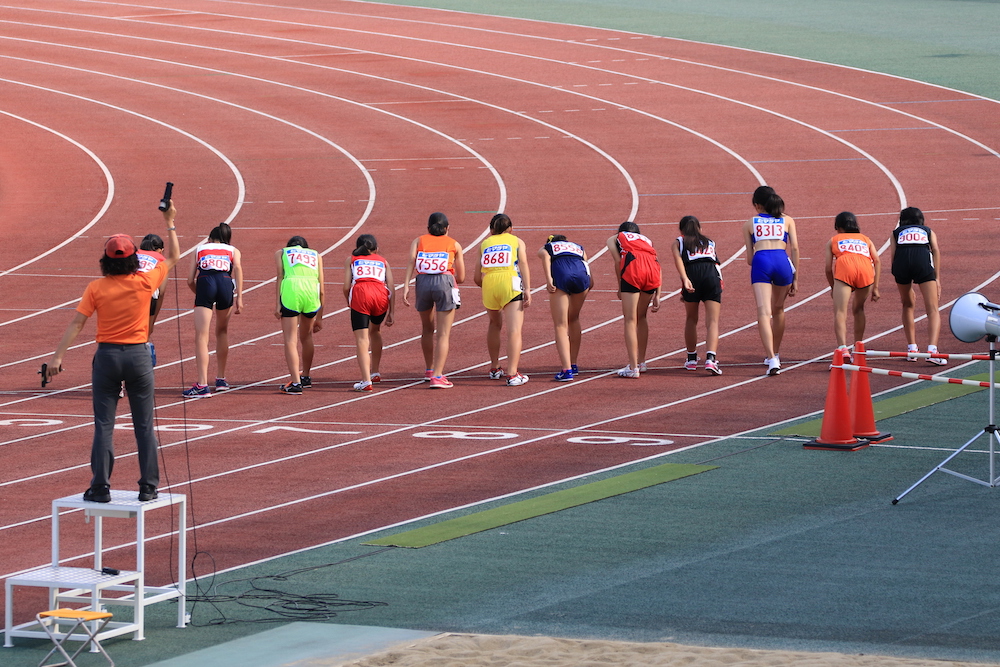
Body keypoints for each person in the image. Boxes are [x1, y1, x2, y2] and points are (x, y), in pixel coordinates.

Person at [46, 203, 181, 503]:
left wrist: (58, 357)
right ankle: (148, 486)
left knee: (104, 424)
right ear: (135, 258)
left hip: (106, 358)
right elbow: (173, 256)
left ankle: (100, 486)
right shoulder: (146, 281)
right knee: (144, 425)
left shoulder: (96, 287)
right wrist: (169, 222)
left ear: (105, 262)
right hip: (138, 356)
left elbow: (78, 323)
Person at [402, 212, 465, 389]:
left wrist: (406, 286)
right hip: (445, 282)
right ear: (447, 228)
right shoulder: (454, 244)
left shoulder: (418, 241)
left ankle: (429, 369)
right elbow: (462, 276)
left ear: (428, 228)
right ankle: (438, 375)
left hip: (422, 282)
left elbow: (410, 263)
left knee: (427, 328)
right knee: (443, 333)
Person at [743, 186, 798, 376]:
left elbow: (750, 259)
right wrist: (795, 277)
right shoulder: (787, 220)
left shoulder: (750, 223)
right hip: (783, 262)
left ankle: (771, 359)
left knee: (763, 312)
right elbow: (796, 249)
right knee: (779, 309)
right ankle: (776, 352)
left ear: (757, 206)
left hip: (762, 261)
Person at [184, 222, 243, 397]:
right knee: (222, 332)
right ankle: (221, 379)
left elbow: (189, 280)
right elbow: (238, 268)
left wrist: (202, 297)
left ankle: (202, 384)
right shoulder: (233, 250)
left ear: (210, 238)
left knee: (202, 336)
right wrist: (239, 297)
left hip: (206, 282)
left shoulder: (200, 249)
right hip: (226, 283)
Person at [475, 213, 531, 386]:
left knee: (494, 325)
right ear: (511, 229)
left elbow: (477, 277)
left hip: (489, 284)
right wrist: (528, 289)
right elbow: (523, 264)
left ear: (491, 230)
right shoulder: (516, 241)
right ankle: (512, 373)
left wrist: (488, 284)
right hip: (510, 283)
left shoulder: (484, 244)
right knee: (514, 330)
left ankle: (494, 367)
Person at [890, 206, 945, 365]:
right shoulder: (928, 231)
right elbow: (935, 250)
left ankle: (912, 349)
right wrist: (937, 278)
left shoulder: (896, 233)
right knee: (932, 308)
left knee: (907, 304)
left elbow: (893, 256)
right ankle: (932, 351)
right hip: (922, 262)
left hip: (901, 264)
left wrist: (899, 276)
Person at [606, 221, 661, 378]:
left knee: (630, 319)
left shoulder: (615, 238)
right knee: (641, 316)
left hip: (634, 270)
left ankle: (633, 367)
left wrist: (620, 286)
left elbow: (618, 262)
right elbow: (656, 262)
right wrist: (658, 294)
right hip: (652, 272)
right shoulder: (646, 240)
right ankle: (641, 362)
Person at [670, 216, 723, 376]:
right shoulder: (710, 242)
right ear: (700, 228)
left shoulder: (679, 242)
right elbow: (715, 263)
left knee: (691, 319)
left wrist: (685, 280)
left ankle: (692, 359)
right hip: (712, 276)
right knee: (712, 321)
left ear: (681, 230)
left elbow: (679, 261)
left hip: (692, 275)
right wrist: (719, 282)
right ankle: (711, 359)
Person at [825, 212, 880, 359]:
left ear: (838, 227)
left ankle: (843, 348)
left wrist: (833, 287)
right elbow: (877, 260)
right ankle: (858, 347)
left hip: (845, 270)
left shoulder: (833, 240)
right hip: (866, 271)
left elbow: (828, 268)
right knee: (859, 308)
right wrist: (876, 287)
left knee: (840, 312)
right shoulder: (866, 239)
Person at [537, 234, 592, 381]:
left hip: (561, 275)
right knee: (573, 318)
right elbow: (586, 264)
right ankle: (573, 364)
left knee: (560, 325)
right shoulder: (578, 247)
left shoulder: (548, 247)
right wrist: (588, 284)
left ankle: (566, 370)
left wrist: (549, 280)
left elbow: (544, 257)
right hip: (582, 277)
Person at [275, 236, 325, 394]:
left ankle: (295, 383)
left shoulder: (282, 252)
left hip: (292, 291)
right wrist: (320, 317)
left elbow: (280, 277)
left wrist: (277, 304)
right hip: (311, 293)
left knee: (290, 339)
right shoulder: (316, 255)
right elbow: (322, 287)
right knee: (307, 336)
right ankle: (306, 377)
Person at [345, 234, 394, 392]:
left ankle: (366, 381)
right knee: (375, 330)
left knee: (361, 339)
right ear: (377, 248)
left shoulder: (351, 260)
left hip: (361, 294)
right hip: (380, 295)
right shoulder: (383, 261)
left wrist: (349, 300)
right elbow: (391, 288)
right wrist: (392, 312)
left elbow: (346, 286)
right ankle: (375, 372)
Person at [138, 234, 166, 366]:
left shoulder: (132, 255)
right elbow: (161, 293)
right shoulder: (160, 260)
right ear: (159, 249)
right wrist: (153, 321)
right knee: (144, 336)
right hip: (148, 297)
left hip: (126, 296)